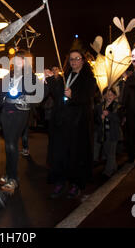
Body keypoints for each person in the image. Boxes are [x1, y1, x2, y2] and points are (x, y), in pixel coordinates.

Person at [0, 50, 43, 193]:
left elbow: (41, 94)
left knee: (12, 144)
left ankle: (14, 179)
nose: (16, 62)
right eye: (15, 59)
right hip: (6, 112)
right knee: (8, 145)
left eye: (20, 59)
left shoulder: (31, 77)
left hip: (20, 113)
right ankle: (8, 174)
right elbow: (1, 94)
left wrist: (29, 100)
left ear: (26, 62)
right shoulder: (9, 76)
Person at [47, 50, 96, 199]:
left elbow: (88, 97)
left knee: (76, 154)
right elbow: (57, 96)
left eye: (77, 59)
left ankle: (75, 184)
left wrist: (73, 95)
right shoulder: (65, 77)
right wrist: (52, 80)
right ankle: (60, 181)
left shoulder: (89, 78)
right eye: (71, 59)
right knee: (60, 153)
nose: (74, 62)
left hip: (78, 123)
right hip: (62, 121)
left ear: (83, 61)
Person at [93, 87, 122, 178]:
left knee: (111, 152)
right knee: (107, 151)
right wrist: (100, 118)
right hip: (103, 133)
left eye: (111, 94)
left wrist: (109, 115)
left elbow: (119, 119)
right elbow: (95, 120)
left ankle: (108, 172)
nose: (109, 96)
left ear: (115, 96)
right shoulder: (100, 106)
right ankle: (114, 167)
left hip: (113, 133)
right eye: (107, 94)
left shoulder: (118, 106)